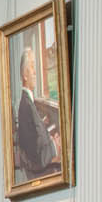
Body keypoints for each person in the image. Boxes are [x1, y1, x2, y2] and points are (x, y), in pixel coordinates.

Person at [11, 40, 62, 184]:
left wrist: (51, 139)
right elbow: (36, 158)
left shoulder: (30, 103)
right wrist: (54, 146)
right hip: (43, 173)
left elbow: (36, 138)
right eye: (32, 67)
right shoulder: (25, 107)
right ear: (25, 75)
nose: (35, 72)